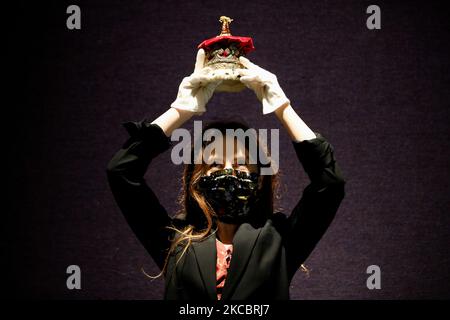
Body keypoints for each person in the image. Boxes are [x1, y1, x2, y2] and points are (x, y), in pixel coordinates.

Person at [106, 49, 346, 300]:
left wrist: (280, 105)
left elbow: (330, 183)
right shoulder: (175, 240)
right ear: (195, 178)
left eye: (241, 164)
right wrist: (182, 109)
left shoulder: (279, 239)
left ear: (259, 176)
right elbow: (122, 171)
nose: (229, 171)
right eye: (215, 165)